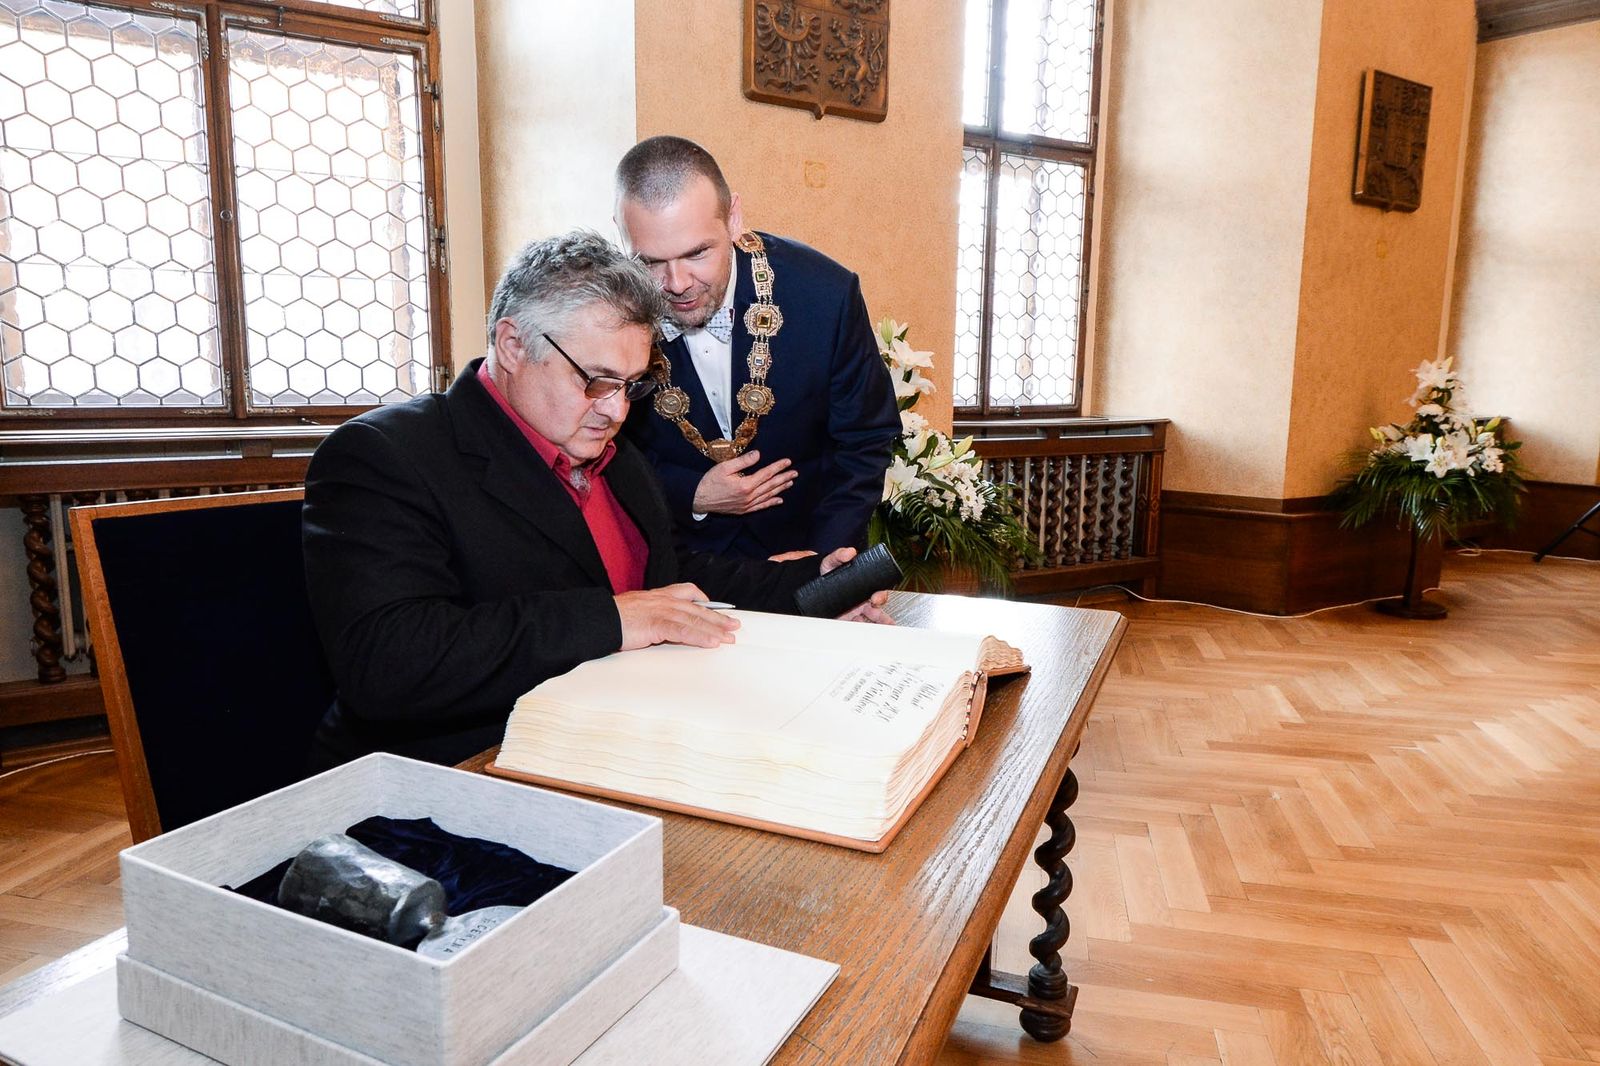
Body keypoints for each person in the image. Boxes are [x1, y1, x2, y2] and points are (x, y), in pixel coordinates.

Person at [302, 231, 884, 768]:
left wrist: (820, 589)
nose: (616, 409)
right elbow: (388, 662)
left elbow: (671, 579)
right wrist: (613, 618)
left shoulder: (615, 453)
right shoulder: (385, 455)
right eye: (596, 380)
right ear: (512, 345)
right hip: (449, 779)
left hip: (605, 750)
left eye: (632, 385)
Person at [615, 135, 899, 560]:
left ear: (733, 219)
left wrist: (822, 565)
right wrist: (689, 493)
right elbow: (605, 448)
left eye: (697, 253)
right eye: (651, 262)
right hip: (676, 568)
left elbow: (865, 439)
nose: (676, 284)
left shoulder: (825, 295)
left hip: (807, 555)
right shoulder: (608, 311)